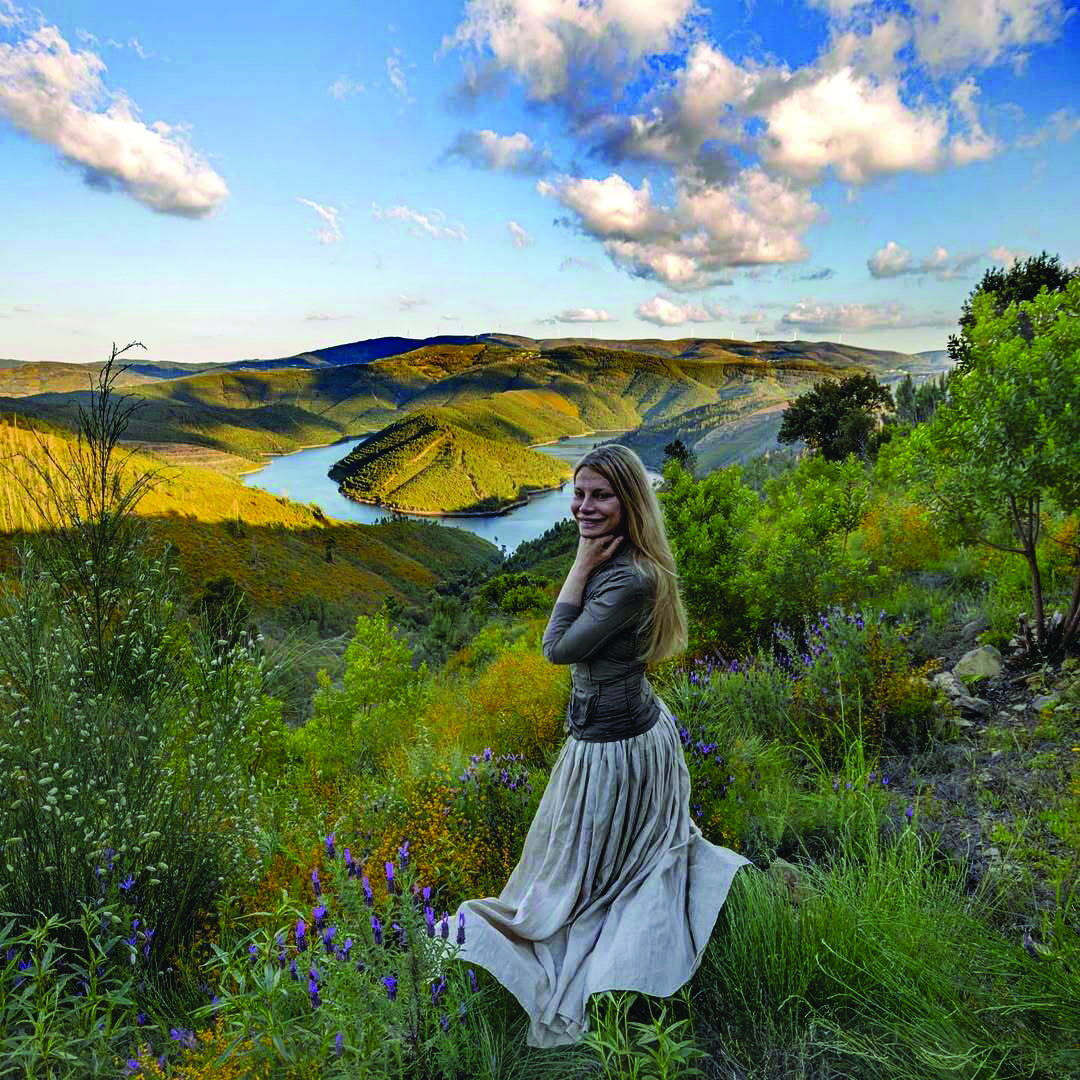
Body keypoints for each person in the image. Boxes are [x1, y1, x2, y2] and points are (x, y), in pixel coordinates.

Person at [452, 444, 751, 1048]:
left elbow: (557, 648)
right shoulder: (623, 563)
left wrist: (578, 565)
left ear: (629, 501)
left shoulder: (629, 578)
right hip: (614, 737)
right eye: (579, 494)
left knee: (596, 877)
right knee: (594, 868)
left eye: (600, 495)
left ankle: (624, 972)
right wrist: (588, 558)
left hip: (617, 747)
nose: (583, 507)